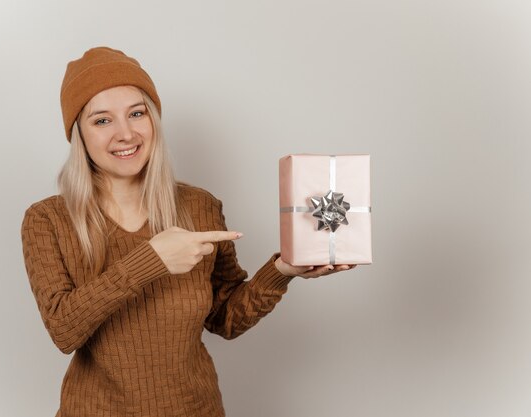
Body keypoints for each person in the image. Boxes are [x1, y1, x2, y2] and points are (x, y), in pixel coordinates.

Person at [20, 46, 356, 417]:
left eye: (137, 113)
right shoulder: (47, 220)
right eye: (102, 121)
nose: (126, 133)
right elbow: (64, 330)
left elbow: (225, 319)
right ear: (78, 134)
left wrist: (281, 272)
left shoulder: (199, 206)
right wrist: (151, 259)